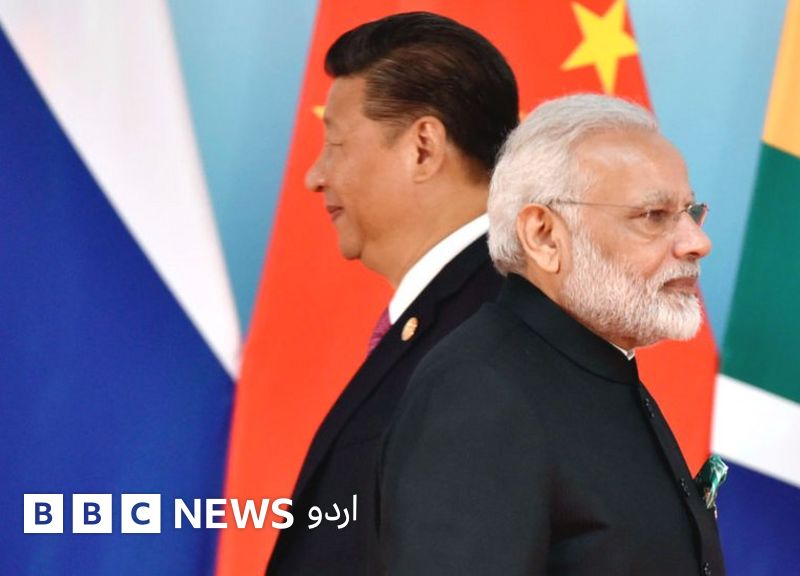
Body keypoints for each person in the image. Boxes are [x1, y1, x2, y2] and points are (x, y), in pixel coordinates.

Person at [378, 94, 725, 575]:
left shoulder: (595, 366)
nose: (697, 242)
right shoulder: (479, 393)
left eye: (690, 211)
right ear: (543, 236)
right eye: (653, 215)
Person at [266, 12, 519, 575]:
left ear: (423, 147)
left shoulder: (492, 336)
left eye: (335, 143)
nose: (314, 175)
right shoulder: (470, 314)